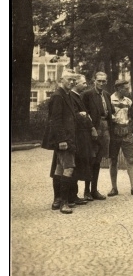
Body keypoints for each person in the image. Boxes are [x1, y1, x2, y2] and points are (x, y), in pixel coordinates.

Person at [42, 70, 79, 214]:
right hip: (64, 139)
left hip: (68, 137)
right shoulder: (58, 96)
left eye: (74, 80)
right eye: (69, 79)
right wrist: (62, 140)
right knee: (69, 168)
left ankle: (57, 200)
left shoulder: (67, 95)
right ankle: (64, 202)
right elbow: (55, 120)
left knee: (59, 168)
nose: (72, 82)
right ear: (61, 80)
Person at [107, 79, 133, 196]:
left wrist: (130, 129)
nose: (128, 91)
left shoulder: (128, 101)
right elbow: (108, 117)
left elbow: (132, 117)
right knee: (113, 160)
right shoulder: (110, 100)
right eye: (125, 89)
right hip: (114, 134)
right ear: (118, 88)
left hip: (127, 133)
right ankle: (114, 188)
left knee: (131, 159)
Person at [81, 71, 113, 201]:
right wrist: (91, 128)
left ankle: (94, 190)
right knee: (91, 159)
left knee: (99, 159)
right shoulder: (87, 94)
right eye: (98, 81)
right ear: (94, 80)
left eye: (103, 81)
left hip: (105, 128)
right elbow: (84, 114)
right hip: (93, 128)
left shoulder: (106, 95)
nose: (101, 83)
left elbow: (110, 112)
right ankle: (87, 191)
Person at [67, 74, 94, 206]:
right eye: (83, 83)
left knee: (80, 164)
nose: (85, 85)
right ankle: (71, 195)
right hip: (77, 136)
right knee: (75, 165)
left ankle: (74, 195)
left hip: (83, 135)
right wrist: (81, 115)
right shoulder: (71, 97)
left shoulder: (78, 96)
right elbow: (73, 116)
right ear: (76, 83)